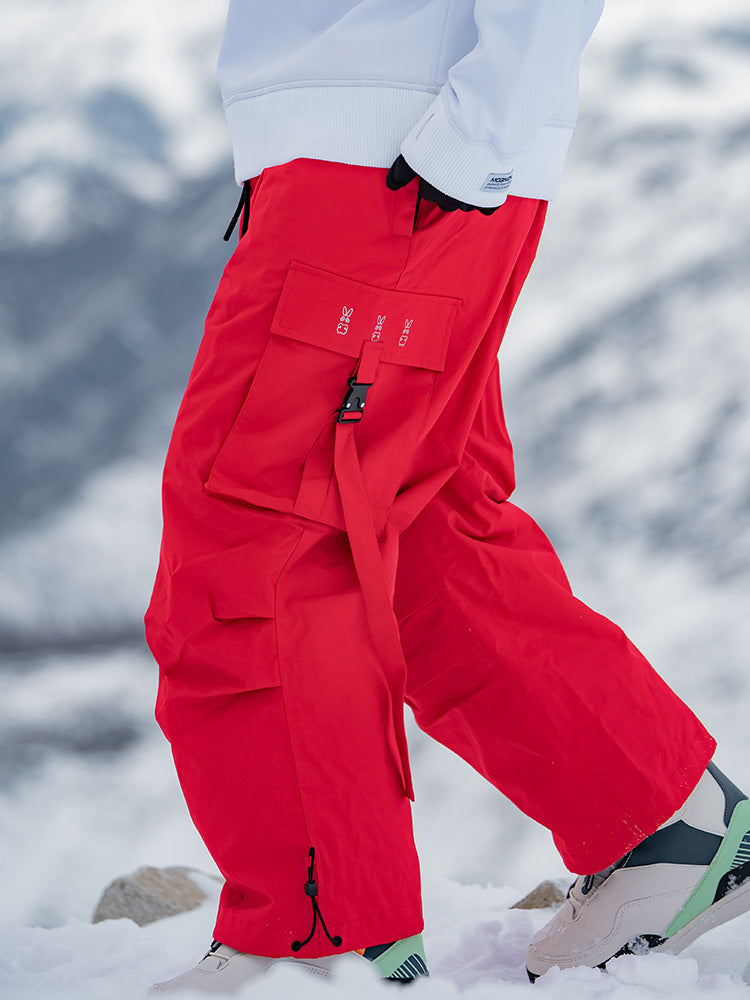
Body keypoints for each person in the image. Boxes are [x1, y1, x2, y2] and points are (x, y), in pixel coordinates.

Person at [144, 1, 750, 991]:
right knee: (423, 525)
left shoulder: (436, 130)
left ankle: (324, 942)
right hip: (394, 139)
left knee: (253, 541)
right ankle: (665, 821)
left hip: (397, 148)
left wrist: (480, 128)